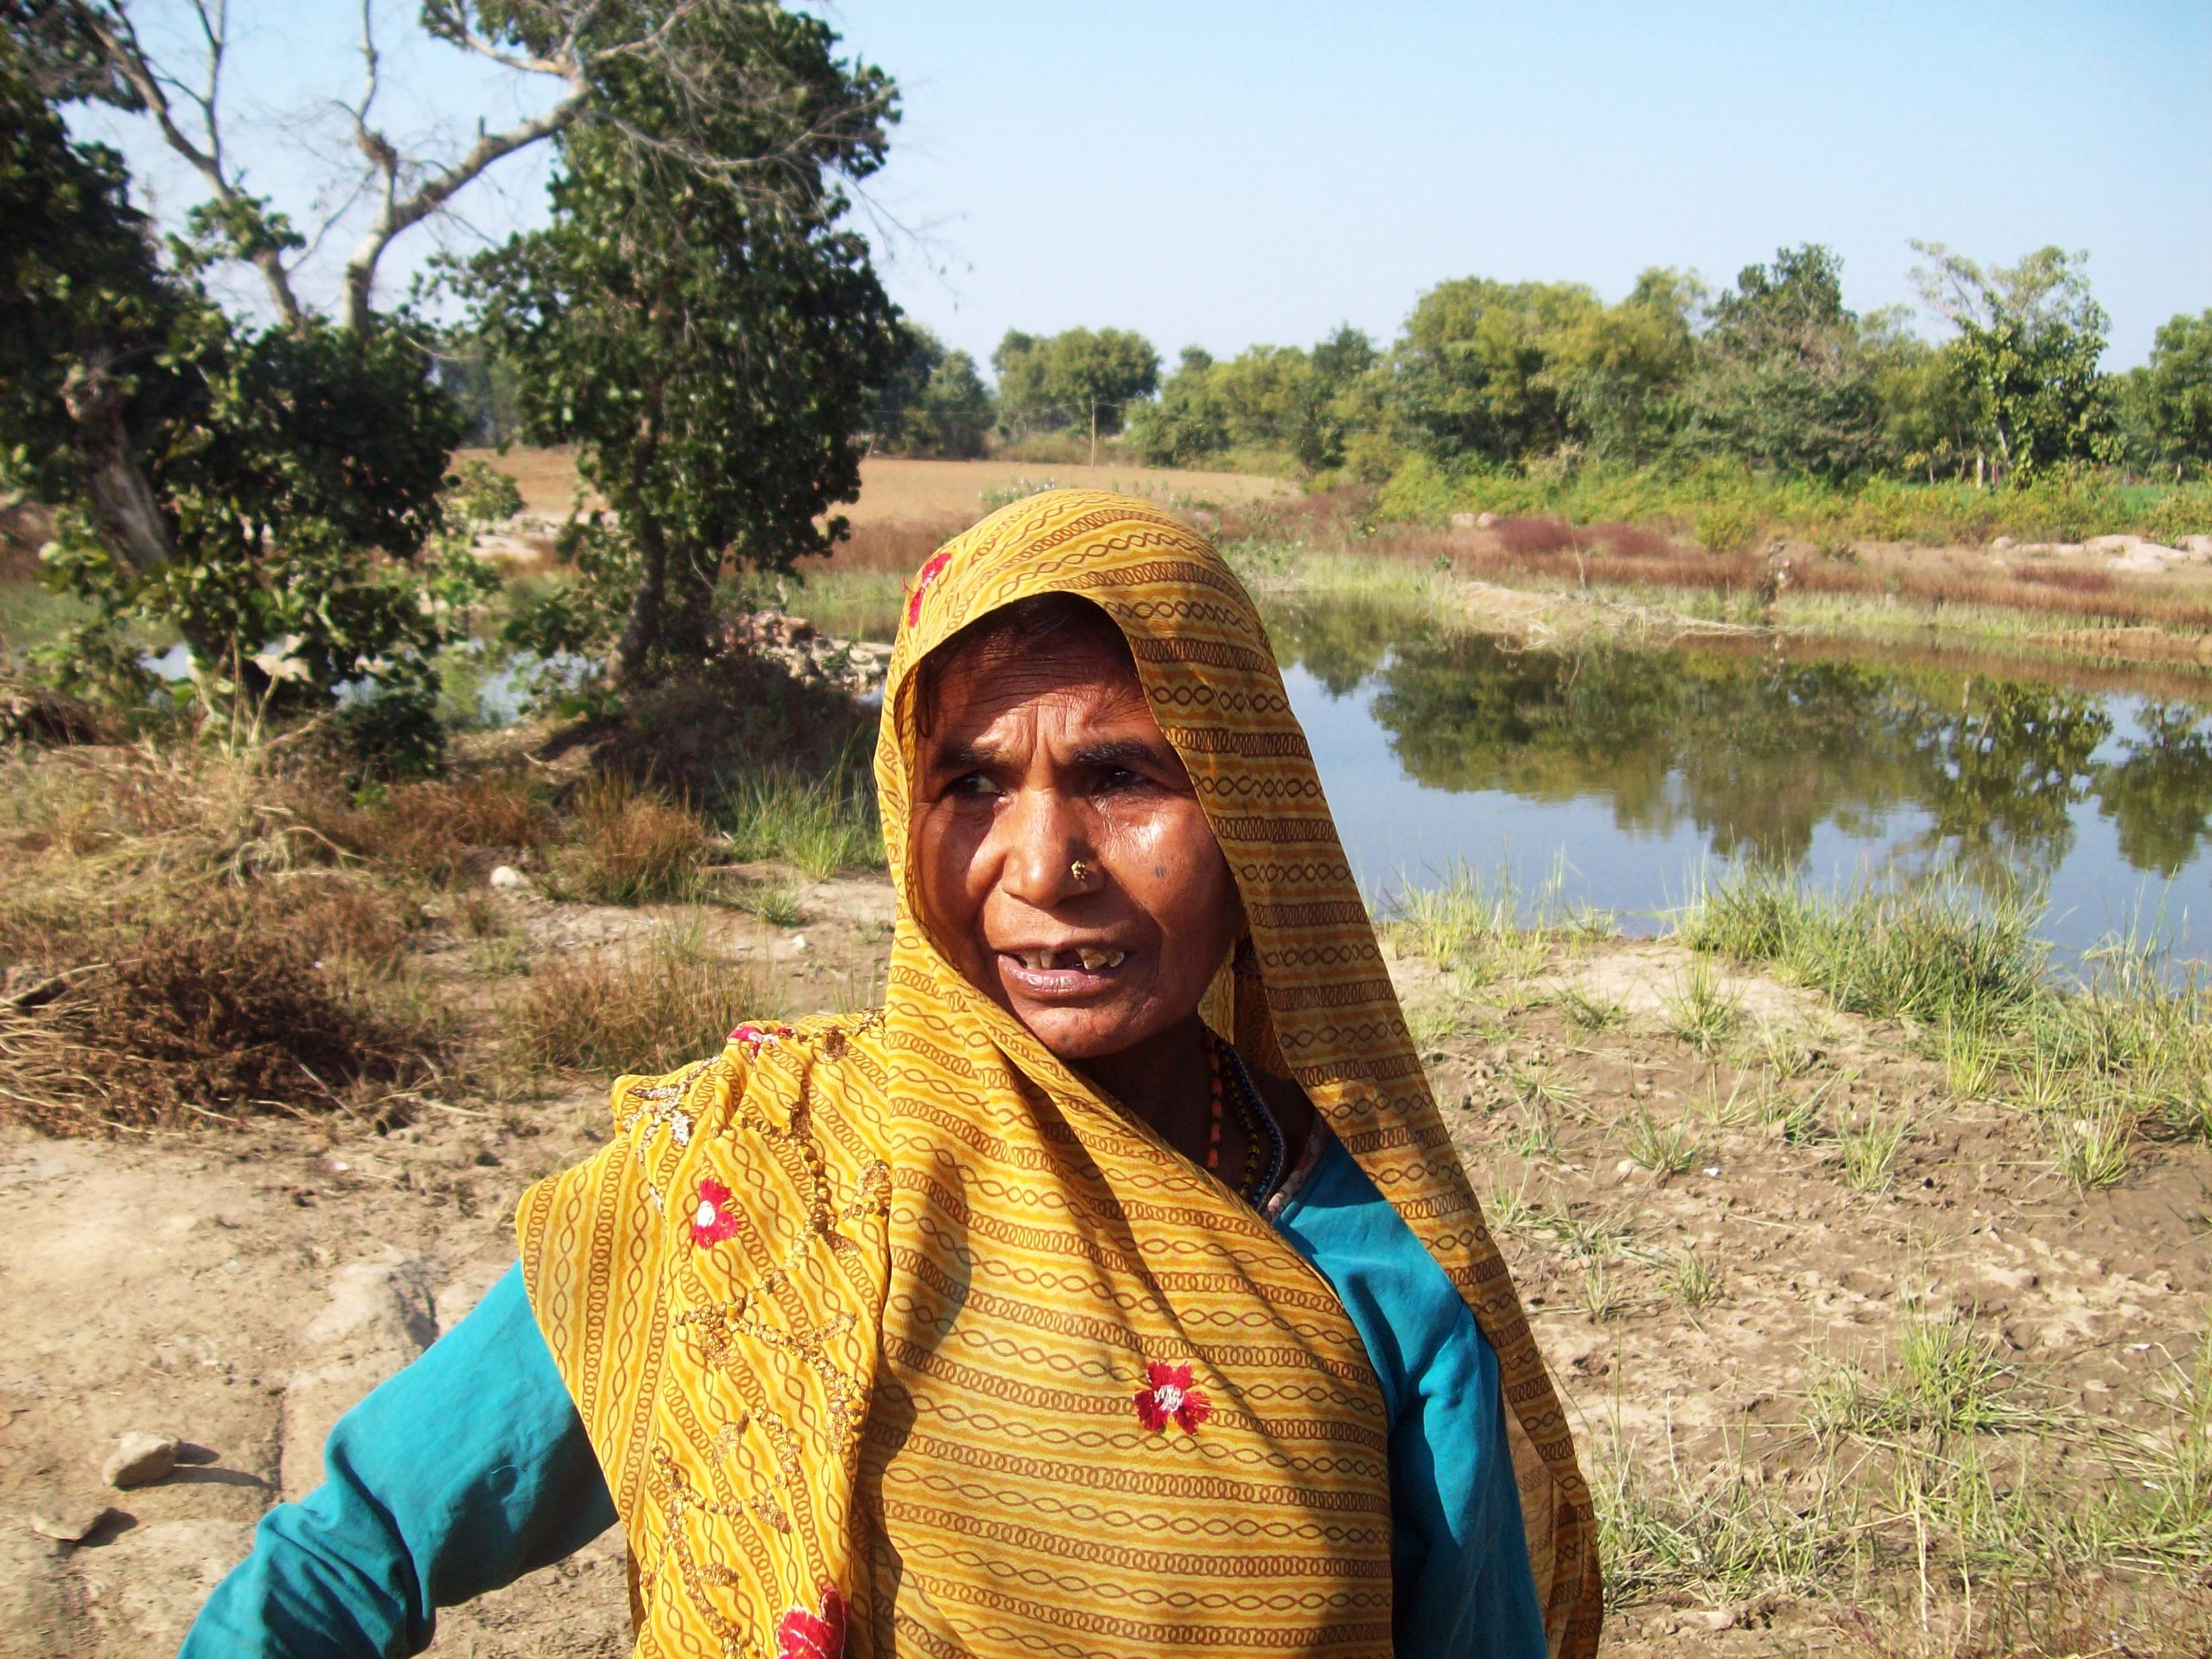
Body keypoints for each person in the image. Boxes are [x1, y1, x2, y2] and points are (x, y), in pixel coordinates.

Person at [182, 489, 1601, 1658]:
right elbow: (350, 1554)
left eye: (1122, 775)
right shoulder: (753, 1173)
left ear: (1257, 819)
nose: (1040, 867)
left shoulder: (1378, 1274)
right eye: (970, 784)